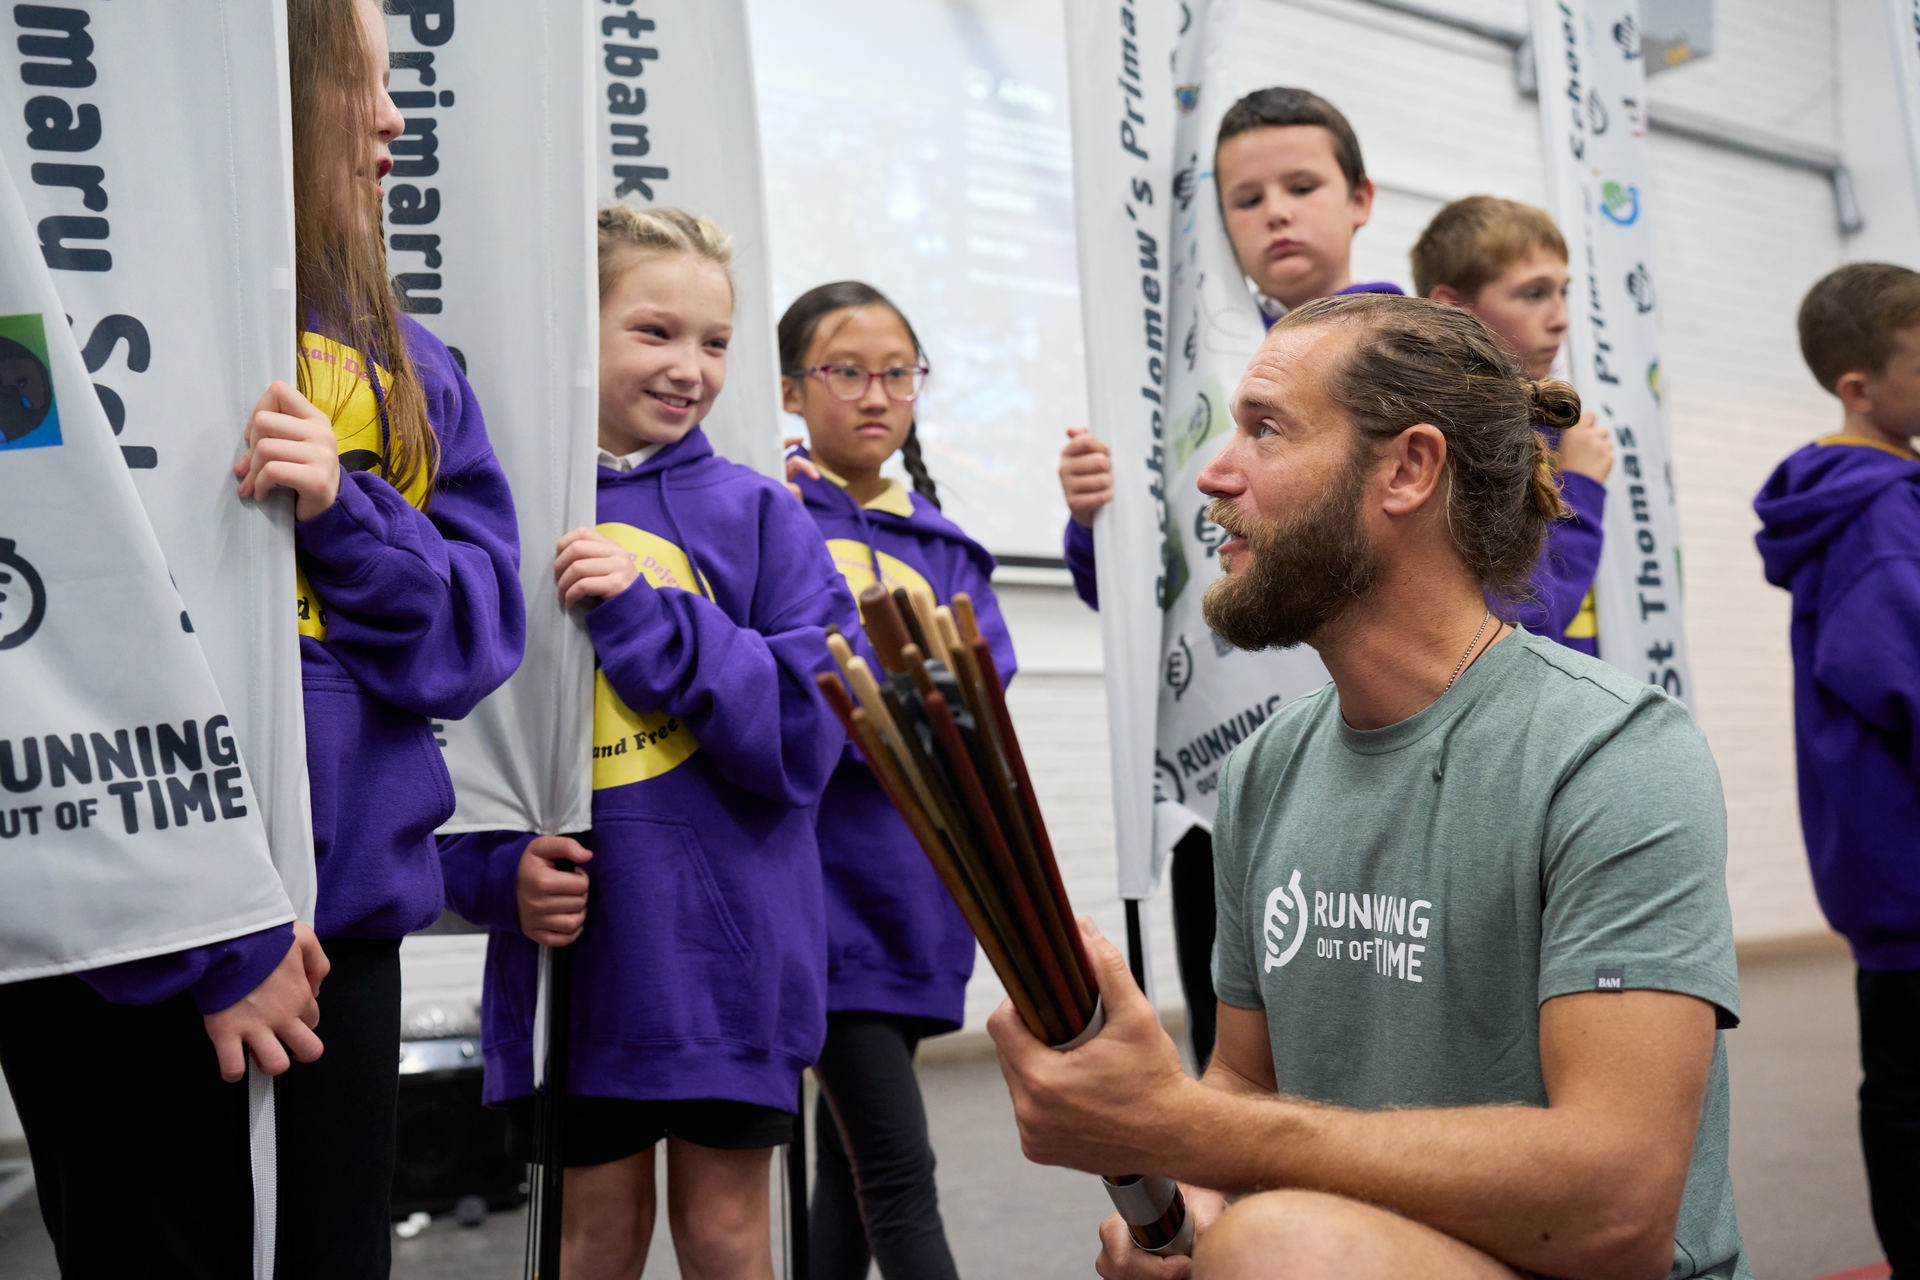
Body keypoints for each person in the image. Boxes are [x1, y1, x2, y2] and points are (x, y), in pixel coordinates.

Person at [991, 293, 1748, 1280]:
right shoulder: (1268, 764)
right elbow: (1245, 1084)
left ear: (1408, 467)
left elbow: (1618, 1205)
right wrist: (1182, 1216)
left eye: (1265, 428)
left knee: (1283, 1246)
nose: (1214, 473)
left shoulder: (1612, 754)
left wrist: (1186, 1128)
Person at [0, 2, 526, 1275]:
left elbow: (474, 633)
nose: (397, 118)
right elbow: (45, 647)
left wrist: (349, 512)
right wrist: (211, 927)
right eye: (360, 81)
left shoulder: (407, 364)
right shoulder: (65, 316)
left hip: (341, 934)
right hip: (127, 945)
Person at [440, 207, 854, 1280]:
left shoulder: (763, 515)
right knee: (593, 1239)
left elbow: (812, 730)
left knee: (724, 1238)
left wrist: (648, 619)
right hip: (579, 959)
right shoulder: (508, 511)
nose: (690, 368)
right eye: (656, 332)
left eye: (715, 342)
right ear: (582, 333)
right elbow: (454, 742)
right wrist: (495, 876)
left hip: (730, 961)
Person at [1056, 85, 1402, 1072]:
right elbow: (1135, 595)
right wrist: (1096, 523)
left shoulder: (1414, 350)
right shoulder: (1175, 384)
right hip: (1221, 773)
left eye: (1302, 185)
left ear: (1361, 196)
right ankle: (1244, 1222)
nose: (1277, 212)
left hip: (1380, 738)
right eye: (1246, 199)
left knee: (1381, 1015)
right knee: (1237, 1037)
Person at [779, 281, 1018, 1279]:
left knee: (852, 1178)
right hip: (817, 892)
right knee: (899, 1169)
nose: (876, 395)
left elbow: (983, 693)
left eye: (897, 373)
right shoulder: (769, 523)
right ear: (791, 389)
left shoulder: (945, 548)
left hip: (918, 890)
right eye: (845, 371)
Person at [1754, 262, 1920, 1278]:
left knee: (1897, 1074)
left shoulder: (1846, 495)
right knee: (1904, 1085)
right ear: (1858, 385)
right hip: (1910, 857)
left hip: (1879, 856)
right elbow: (1901, 671)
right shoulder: (1882, 511)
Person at [1412, 195, 1614, 654]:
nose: (1561, 319)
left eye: (1564, 292)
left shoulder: (1559, 429)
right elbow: (1520, 626)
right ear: (1452, 309)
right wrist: (1580, 490)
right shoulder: (1451, 445)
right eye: (1534, 293)